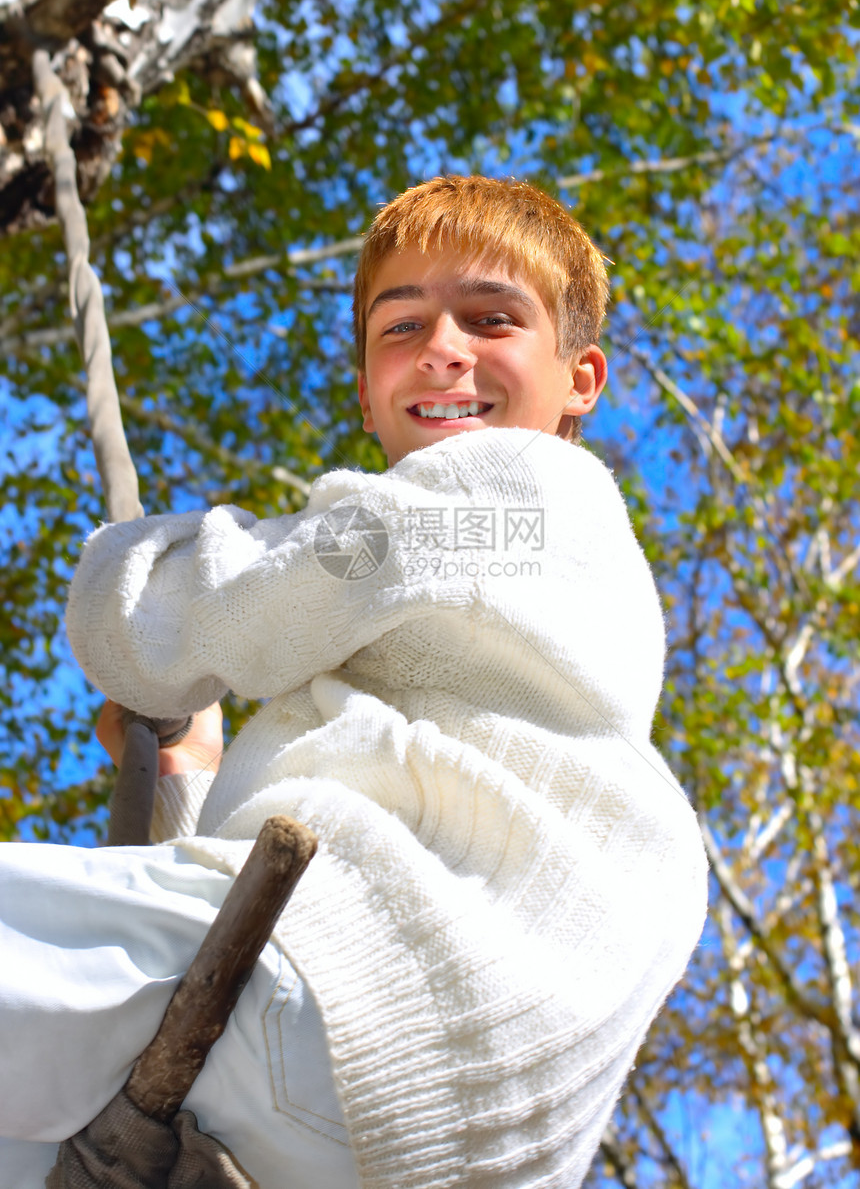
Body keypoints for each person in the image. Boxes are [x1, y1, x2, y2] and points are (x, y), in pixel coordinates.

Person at [0, 176, 707, 1189]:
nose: (442, 348)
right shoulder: (526, 649)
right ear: (366, 392)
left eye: (491, 319)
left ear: (579, 378)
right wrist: (189, 772)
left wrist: (122, 580)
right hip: (397, 1119)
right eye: (401, 325)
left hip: (345, 1001)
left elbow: (193, 616)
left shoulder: (511, 500)